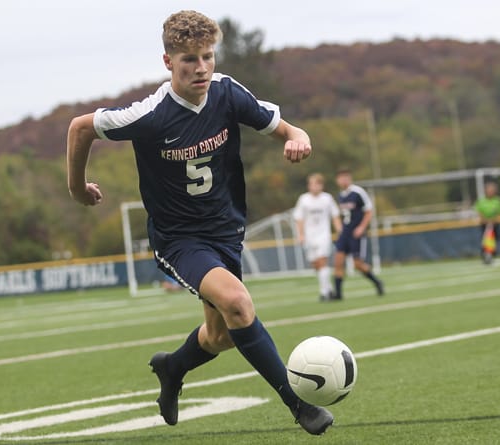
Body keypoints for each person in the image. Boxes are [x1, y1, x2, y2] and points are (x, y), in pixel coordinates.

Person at [66, 11, 333, 435]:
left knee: (221, 335)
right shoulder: (151, 115)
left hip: (226, 232)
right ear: (168, 61)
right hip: (179, 240)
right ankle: (299, 404)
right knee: (239, 304)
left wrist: (298, 137)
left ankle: (172, 367)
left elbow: (287, 128)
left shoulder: (227, 93)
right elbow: (81, 128)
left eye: (208, 56)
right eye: (189, 59)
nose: (202, 67)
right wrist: (78, 189)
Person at [332, 168, 384, 300]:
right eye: (341, 178)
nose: (343, 180)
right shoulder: (341, 195)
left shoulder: (358, 192)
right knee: (338, 261)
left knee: (358, 264)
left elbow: (369, 210)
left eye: (346, 177)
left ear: (350, 178)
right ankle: (338, 294)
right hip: (345, 233)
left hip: (356, 233)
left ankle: (377, 282)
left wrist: (361, 227)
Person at [293, 173, 342, 301]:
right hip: (309, 237)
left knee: (322, 261)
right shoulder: (303, 199)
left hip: (323, 235)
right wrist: (301, 235)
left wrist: (339, 230)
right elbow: (299, 218)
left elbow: (335, 215)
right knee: (316, 264)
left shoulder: (327, 198)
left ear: (321, 185)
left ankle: (324, 292)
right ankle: (329, 289)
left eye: (316, 184)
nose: (314, 186)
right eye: (311, 184)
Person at [474, 181, 500, 264]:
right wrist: (485, 220)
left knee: (494, 240)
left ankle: (492, 255)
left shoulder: (497, 201)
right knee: (485, 241)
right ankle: (485, 256)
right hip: (484, 224)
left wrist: (493, 220)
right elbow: (478, 212)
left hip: (494, 224)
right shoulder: (481, 201)